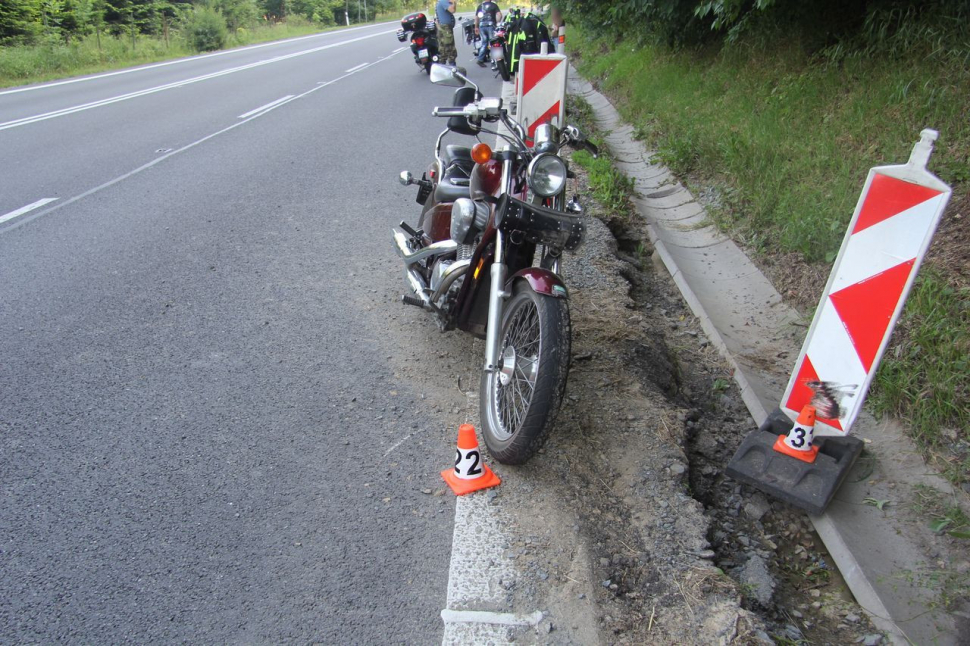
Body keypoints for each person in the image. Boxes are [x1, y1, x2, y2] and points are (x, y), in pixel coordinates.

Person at [475, 1, 502, 67]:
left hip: (482, 26)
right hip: (490, 25)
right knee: (493, 42)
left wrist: (476, 27)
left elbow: (476, 17)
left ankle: (480, 59)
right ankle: (495, 60)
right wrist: (497, 22)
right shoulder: (494, 5)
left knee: (484, 43)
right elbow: (499, 15)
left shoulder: (480, 6)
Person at [435, 0, 457, 66]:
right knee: (449, 48)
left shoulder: (441, 1)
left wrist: (453, 3)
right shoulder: (443, 1)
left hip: (444, 28)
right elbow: (452, 10)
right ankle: (452, 67)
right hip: (445, 28)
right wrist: (454, 2)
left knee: (443, 49)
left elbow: (454, 10)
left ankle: (442, 67)